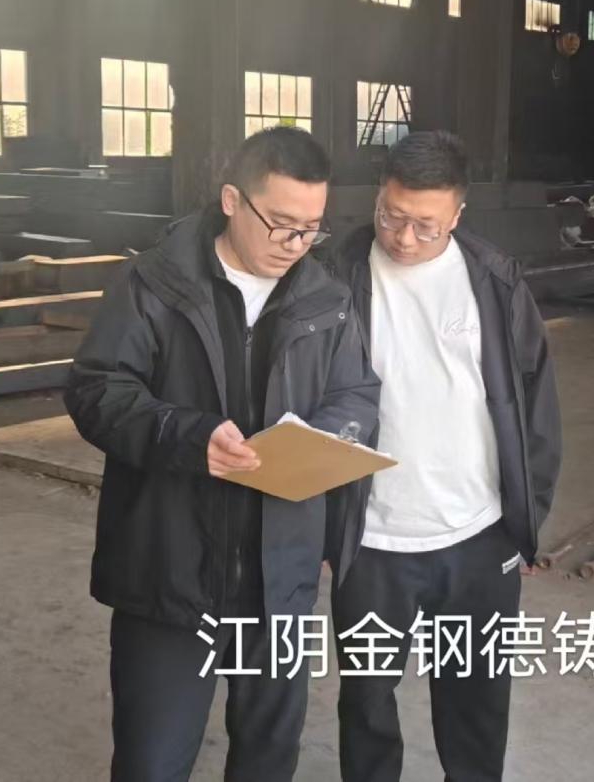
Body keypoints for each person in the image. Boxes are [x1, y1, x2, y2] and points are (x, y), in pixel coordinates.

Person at [65, 127, 380, 782]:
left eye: (311, 229)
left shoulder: (325, 298)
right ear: (233, 200)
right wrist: (186, 437)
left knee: (268, 759)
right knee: (152, 763)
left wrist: (326, 439)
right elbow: (97, 390)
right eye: (281, 224)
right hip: (170, 574)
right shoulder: (154, 284)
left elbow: (356, 394)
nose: (294, 245)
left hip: (279, 582)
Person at [329, 130, 562, 782]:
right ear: (378, 196)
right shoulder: (335, 275)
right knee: (366, 702)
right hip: (371, 542)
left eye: (425, 226)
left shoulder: (492, 282)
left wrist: (526, 518)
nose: (404, 238)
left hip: (476, 537)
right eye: (391, 216)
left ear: (456, 215)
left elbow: (536, 406)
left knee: (475, 705)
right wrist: (320, 525)